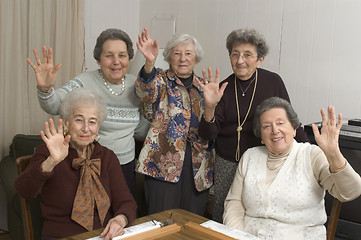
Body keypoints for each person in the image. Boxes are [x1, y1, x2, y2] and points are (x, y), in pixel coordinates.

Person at [197, 28, 309, 222]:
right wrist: (209, 107)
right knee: (225, 214)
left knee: (258, 215)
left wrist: (308, 153)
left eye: (248, 55)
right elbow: (208, 134)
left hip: (264, 162)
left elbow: (290, 121)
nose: (240, 60)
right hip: (228, 163)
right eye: (235, 54)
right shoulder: (222, 88)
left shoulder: (273, 82)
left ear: (260, 60)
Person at [26, 29, 149, 196]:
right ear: (98, 59)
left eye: (122, 55)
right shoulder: (84, 81)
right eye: (109, 55)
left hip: (125, 167)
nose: (116, 61)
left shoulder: (137, 85)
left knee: (124, 216)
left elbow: (141, 127)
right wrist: (45, 89)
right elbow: (54, 106)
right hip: (91, 164)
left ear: (129, 58)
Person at [223, 97, 361, 239]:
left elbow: (351, 192)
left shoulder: (311, 155)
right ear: (261, 136)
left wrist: (334, 154)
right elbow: (234, 204)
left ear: (294, 129)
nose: (275, 130)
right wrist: (237, 237)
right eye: (266, 126)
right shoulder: (250, 156)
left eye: (280, 123)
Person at [15, 88, 137, 239]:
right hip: (61, 236)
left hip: (104, 236)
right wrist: (50, 162)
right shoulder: (48, 153)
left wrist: (120, 220)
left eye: (92, 121)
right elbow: (23, 190)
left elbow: (126, 202)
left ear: (98, 127)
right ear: (66, 123)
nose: (86, 128)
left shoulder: (107, 157)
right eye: (79, 120)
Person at [134, 28, 213, 215]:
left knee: (191, 225)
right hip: (161, 167)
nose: (182, 58)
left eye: (188, 53)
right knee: (160, 222)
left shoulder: (205, 87)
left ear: (196, 58)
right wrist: (149, 63)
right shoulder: (160, 80)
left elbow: (212, 125)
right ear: (169, 57)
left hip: (197, 169)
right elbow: (143, 92)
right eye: (177, 53)